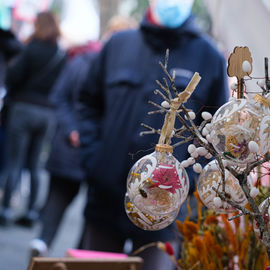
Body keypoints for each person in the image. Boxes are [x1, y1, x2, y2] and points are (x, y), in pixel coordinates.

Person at [77, 1, 229, 269]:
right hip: (106, 199)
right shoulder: (118, 45)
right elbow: (87, 103)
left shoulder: (209, 57)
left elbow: (217, 135)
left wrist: (189, 181)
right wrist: (94, 159)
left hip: (165, 209)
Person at [28, 44, 100, 257]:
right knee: (88, 210)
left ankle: (45, 243)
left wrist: (72, 129)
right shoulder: (102, 68)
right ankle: (75, 254)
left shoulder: (79, 63)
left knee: (59, 200)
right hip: (91, 149)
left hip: (72, 147)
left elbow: (59, 96)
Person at [0, 11, 66, 226]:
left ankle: (7, 209)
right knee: (35, 164)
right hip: (47, 113)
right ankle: (31, 212)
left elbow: (12, 77)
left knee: (15, 161)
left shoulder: (31, 48)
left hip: (23, 108)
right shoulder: (60, 53)